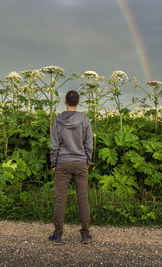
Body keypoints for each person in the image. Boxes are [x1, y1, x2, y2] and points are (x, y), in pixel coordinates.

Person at [48, 90, 93, 245]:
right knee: (83, 198)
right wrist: (87, 161)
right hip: (81, 162)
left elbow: (54, 144)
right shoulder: (85, 120)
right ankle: (85, 234)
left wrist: (53, 163)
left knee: (60, 199)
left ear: (65, 102)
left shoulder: (57, 120)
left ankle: (58, 235)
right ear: (78, 102)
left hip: (63, 162)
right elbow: (89, 144)